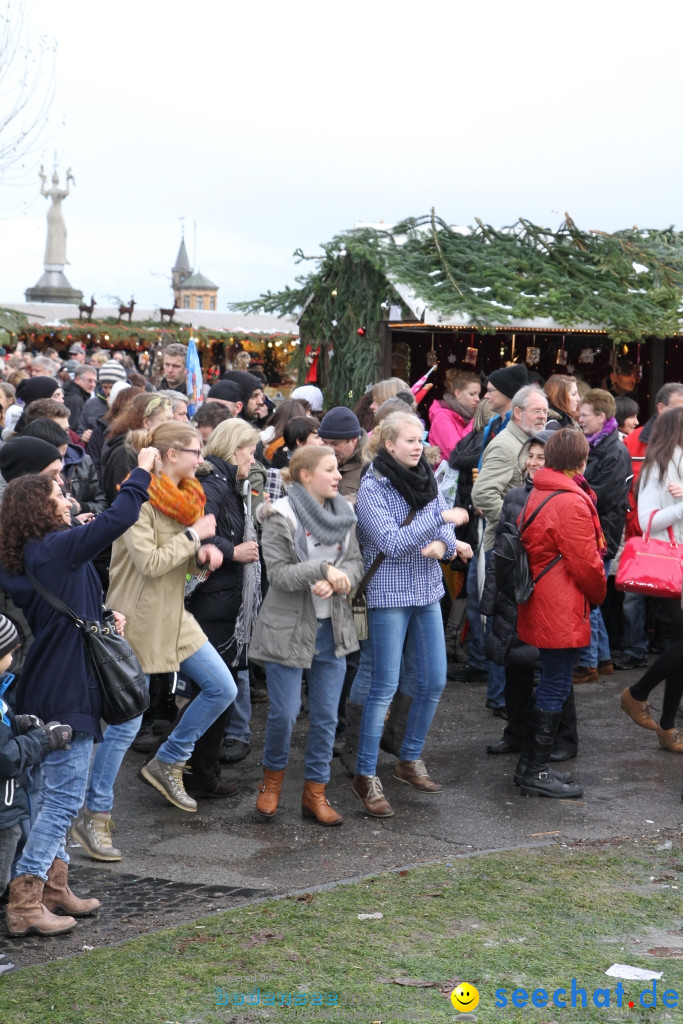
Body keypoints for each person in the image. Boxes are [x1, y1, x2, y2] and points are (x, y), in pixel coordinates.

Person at [0, 448, 156, 933]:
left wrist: (104, 618)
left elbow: (70, 605)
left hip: (48, 682)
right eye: (57, 494)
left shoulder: (35, 553)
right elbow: (124, 515)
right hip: (67, 687)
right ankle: (26, 901)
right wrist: (142, 469)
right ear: (39, 510)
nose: (65, 498)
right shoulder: (53, 550)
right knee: (64, 800)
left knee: (50, 796)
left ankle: (55, 888)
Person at [104, 421, 237, 814]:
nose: (203, 459)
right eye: (197, 451)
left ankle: (169, 758)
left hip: (173, 614)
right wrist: (196, 538)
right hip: (136, 617)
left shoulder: (184, 498)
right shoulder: (140, 498)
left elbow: (178, 568)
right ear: (172, 455)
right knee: (125, 721)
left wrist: (200, 563)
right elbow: (149, 563)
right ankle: (92, 808)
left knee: (222, 688)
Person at [352, 412, 465, 818]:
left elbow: (447, 537)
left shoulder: (426, 477)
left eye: (421, 440)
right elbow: (391, 542)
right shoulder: (372, 487)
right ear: (388, 444)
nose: (418, 447)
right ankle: (365, 774)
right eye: (410, 441)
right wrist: (438, 524)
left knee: (434, 678)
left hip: (427, 589)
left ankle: (408, 759)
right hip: (387, 593)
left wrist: (445, 547)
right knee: (384, 685)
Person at [249, 445, 363, 825]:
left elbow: (356, 564)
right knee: (284, 713)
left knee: (328, 717)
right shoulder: (279, 516)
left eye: (337, 469)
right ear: (304, 475)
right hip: (287, 629)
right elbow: (279, 574)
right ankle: (271, 785)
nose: (337, 475)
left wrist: (338, 581)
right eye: (329, 469)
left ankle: (316, 794)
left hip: (334, 628)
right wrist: (323, 570)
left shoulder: (345, 514)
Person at [515, 428, 607, 797]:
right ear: (579, 460)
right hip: (561, 600)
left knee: (551, 681)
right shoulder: (570, 500)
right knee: (554, 683)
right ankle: (535, 771)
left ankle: (529, 767)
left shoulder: (542, 489)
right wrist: (599, 596)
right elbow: (586, 564)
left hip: (546, 595)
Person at [189, 419, 261, 777]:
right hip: (215, 600)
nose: (253, 460)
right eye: (250, 453)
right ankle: (196, 769)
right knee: (217, 689)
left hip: (223, 599)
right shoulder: (214, 483)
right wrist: (233, 551)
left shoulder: (224, 481)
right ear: (235, 450)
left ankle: (199, 768)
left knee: (219, 687)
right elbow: (199, 533)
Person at [0, 614, 74, 943]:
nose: (13, 659)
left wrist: (18, 724)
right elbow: (5, 758)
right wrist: (42, 741)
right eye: (9, 652)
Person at [620, 407, 683, 753]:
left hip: (680, 563)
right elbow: (647, 521)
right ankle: (637, 693)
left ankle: (668, 725)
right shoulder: (658, 470)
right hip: (667, 563)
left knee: (680, 641)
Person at [615, 382, 683, 670]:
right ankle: (637, 667)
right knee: (636, 599)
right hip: (653, 541)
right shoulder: (644, 449)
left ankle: (662, 707)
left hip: (670, 546)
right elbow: (644, 511)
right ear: (664, 410)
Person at [573, 390, 632, 682]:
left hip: (601, 536)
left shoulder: (614, 451)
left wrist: (570, 489)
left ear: (602, 417)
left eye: (585, 414)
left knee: (589, 600)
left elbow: (601, 494)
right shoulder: (597, 445)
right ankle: (604, 659)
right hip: (597, 532)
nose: (579, 419)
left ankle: (588, 664)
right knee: (592, 599)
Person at [427, 370, 481, 460]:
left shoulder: (467, 415)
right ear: (457, 393)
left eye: (478, 394)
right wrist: (476, 420)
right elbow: (457, 453)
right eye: (472, 394)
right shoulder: (442, 417)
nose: (478, 399)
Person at [318, 407, 366, 500]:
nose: (329, 449)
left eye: (335, 443)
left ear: (354, 440)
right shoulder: (317, 461)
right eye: (324, 442)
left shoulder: (372, 466)